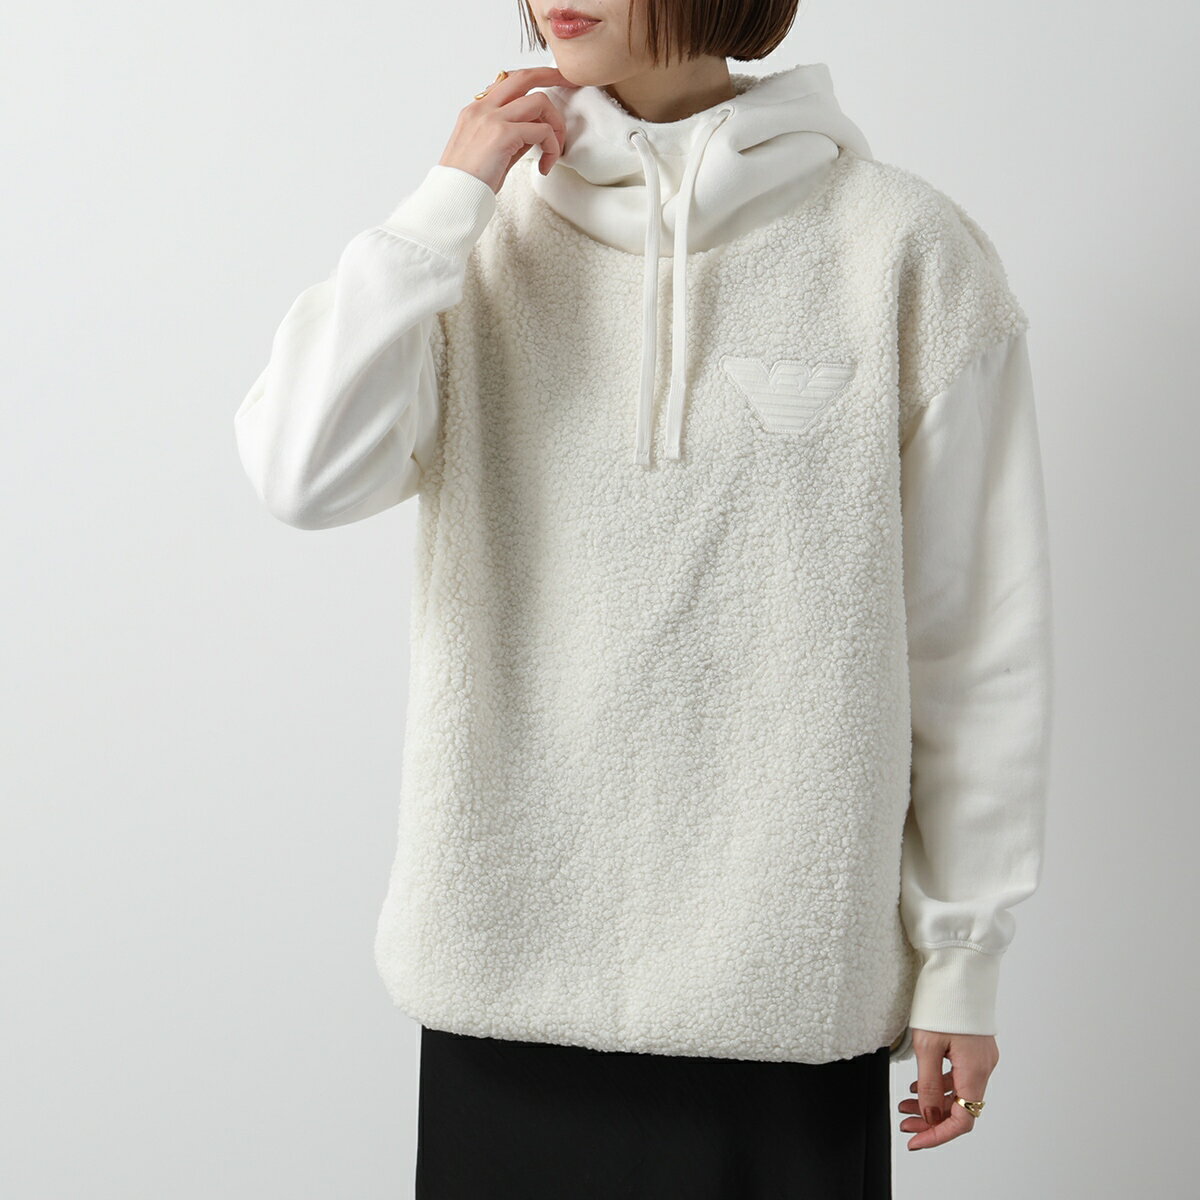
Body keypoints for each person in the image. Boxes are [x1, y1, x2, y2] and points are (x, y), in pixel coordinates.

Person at [233, 0, 1053, 1194]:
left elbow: (974, 644)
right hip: (503, 983)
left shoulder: (903, 250)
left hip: (785, 994)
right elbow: (301, 474)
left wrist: (961, 959)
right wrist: (442, 203)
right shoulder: (477, 240)